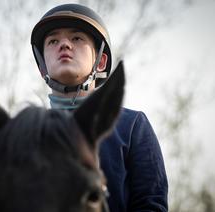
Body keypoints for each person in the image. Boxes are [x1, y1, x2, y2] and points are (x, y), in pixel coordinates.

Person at [30, 3, 168, 212]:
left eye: (77, 38)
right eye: (53, 41)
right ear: (42, 68)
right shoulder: (28, 135)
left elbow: (150, 205)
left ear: (101, 62)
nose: (64, 44)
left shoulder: (131, 126)